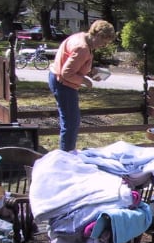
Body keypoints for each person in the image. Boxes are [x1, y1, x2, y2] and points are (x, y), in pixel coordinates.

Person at [48, 19, 116, 152]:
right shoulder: (83, 48)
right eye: (104, 41)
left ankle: (66, 153)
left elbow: (75, 64)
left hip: (58, 79)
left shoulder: (81, 37)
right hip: (63, 84)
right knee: (71, 123)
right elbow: (67, 73)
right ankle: (66, 157)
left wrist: (90, 72)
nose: (104, 45)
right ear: (98, 35)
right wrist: (86, 81)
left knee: (70, 121)